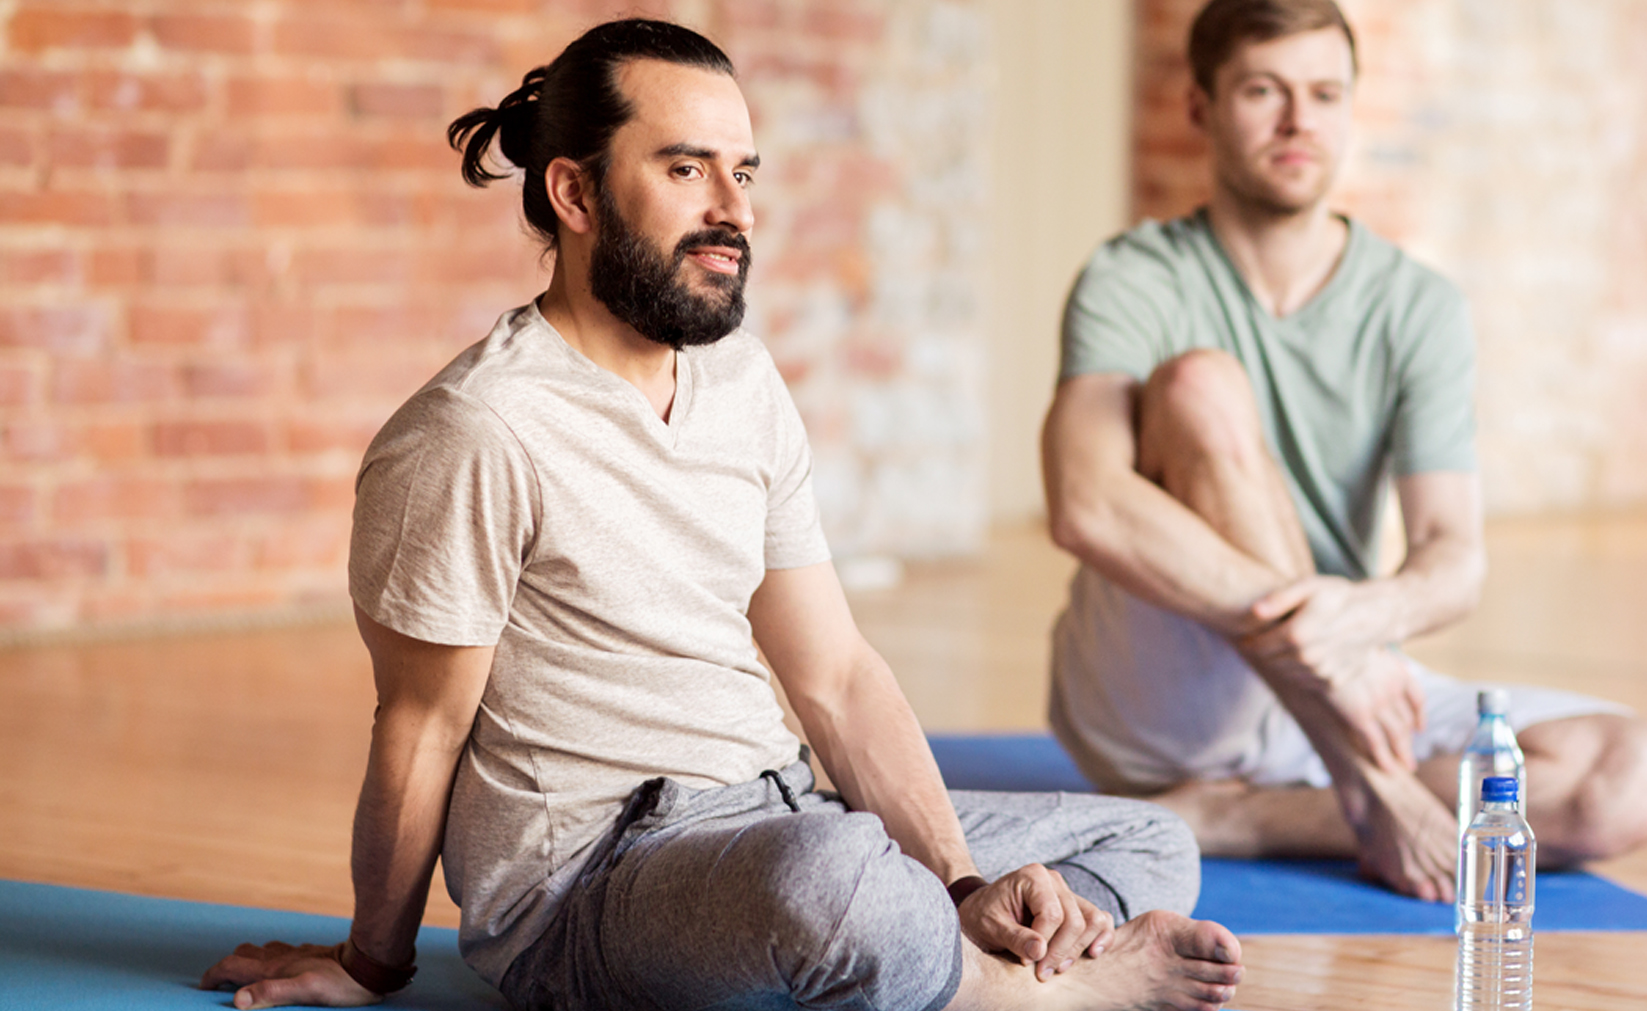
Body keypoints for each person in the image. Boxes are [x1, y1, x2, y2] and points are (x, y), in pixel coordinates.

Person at [197, 19, 1243, 1011]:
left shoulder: (739, 382)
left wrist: (967, 888)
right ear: (574, 191)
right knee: (832, 884)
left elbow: (831, 675)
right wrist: (373, 963)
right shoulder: (475, 430)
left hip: (776, 808)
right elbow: (420, 728)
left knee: (1145, 846)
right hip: (595, 886)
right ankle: (1046, 992)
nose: (733, 209)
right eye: (685, 168)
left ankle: (962, 957)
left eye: (742, 173)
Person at [1040, 0, 1647, 903]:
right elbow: (1085, 502)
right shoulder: (1135, 275)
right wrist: (1346, 680)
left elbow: (1452, 560)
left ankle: (1233, 817)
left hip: (1339, 674)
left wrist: (1362, 619)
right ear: (1200, 106)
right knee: (1199, 386)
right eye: (1265, 90)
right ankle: (1368, 786)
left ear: (1350, 108)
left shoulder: (1417, 304)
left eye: (1325, 93)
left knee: (1636, 774)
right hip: (1170, 682)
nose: (1300, 121)